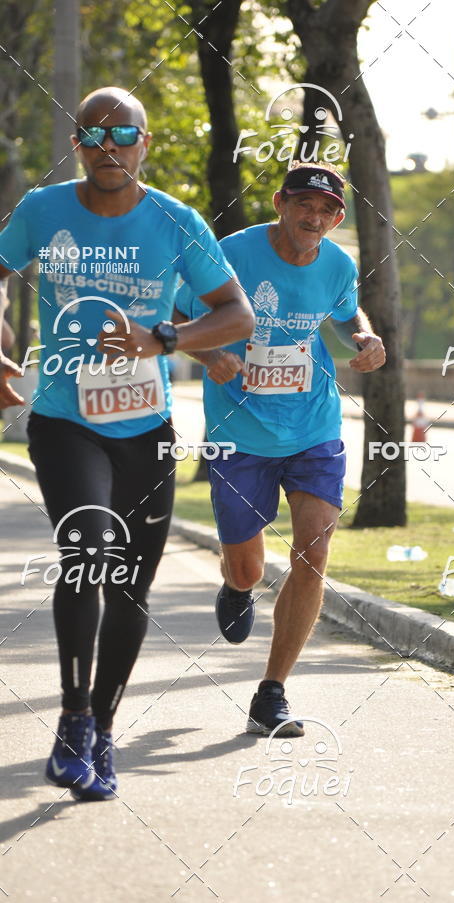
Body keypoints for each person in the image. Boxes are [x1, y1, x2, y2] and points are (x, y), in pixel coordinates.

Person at [0, 86, 254, 799]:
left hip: (147, 430)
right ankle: (72, 721)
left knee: (131, 588)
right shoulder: (41, 210)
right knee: (88, 554)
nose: (107, 147)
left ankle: (104, 730)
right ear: (76, 144)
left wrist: (164, 338)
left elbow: (236, 314)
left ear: (145, 144)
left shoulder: (177, 222)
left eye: (122, 134)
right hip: (66, 420)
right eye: (93, 134)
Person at [173, 162, 386, 737]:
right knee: (248, 569)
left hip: (314, 427)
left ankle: (272, 692)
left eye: (328, 210)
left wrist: (364, 336)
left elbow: (346, 312)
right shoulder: (232, 253)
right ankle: (236, 585)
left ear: (337, 218)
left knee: (313, 555)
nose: (315, 218)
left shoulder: (338, 263)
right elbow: (173, 309)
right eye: (304, 205)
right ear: (281, 204)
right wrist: (207, 355)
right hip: (240, 433)